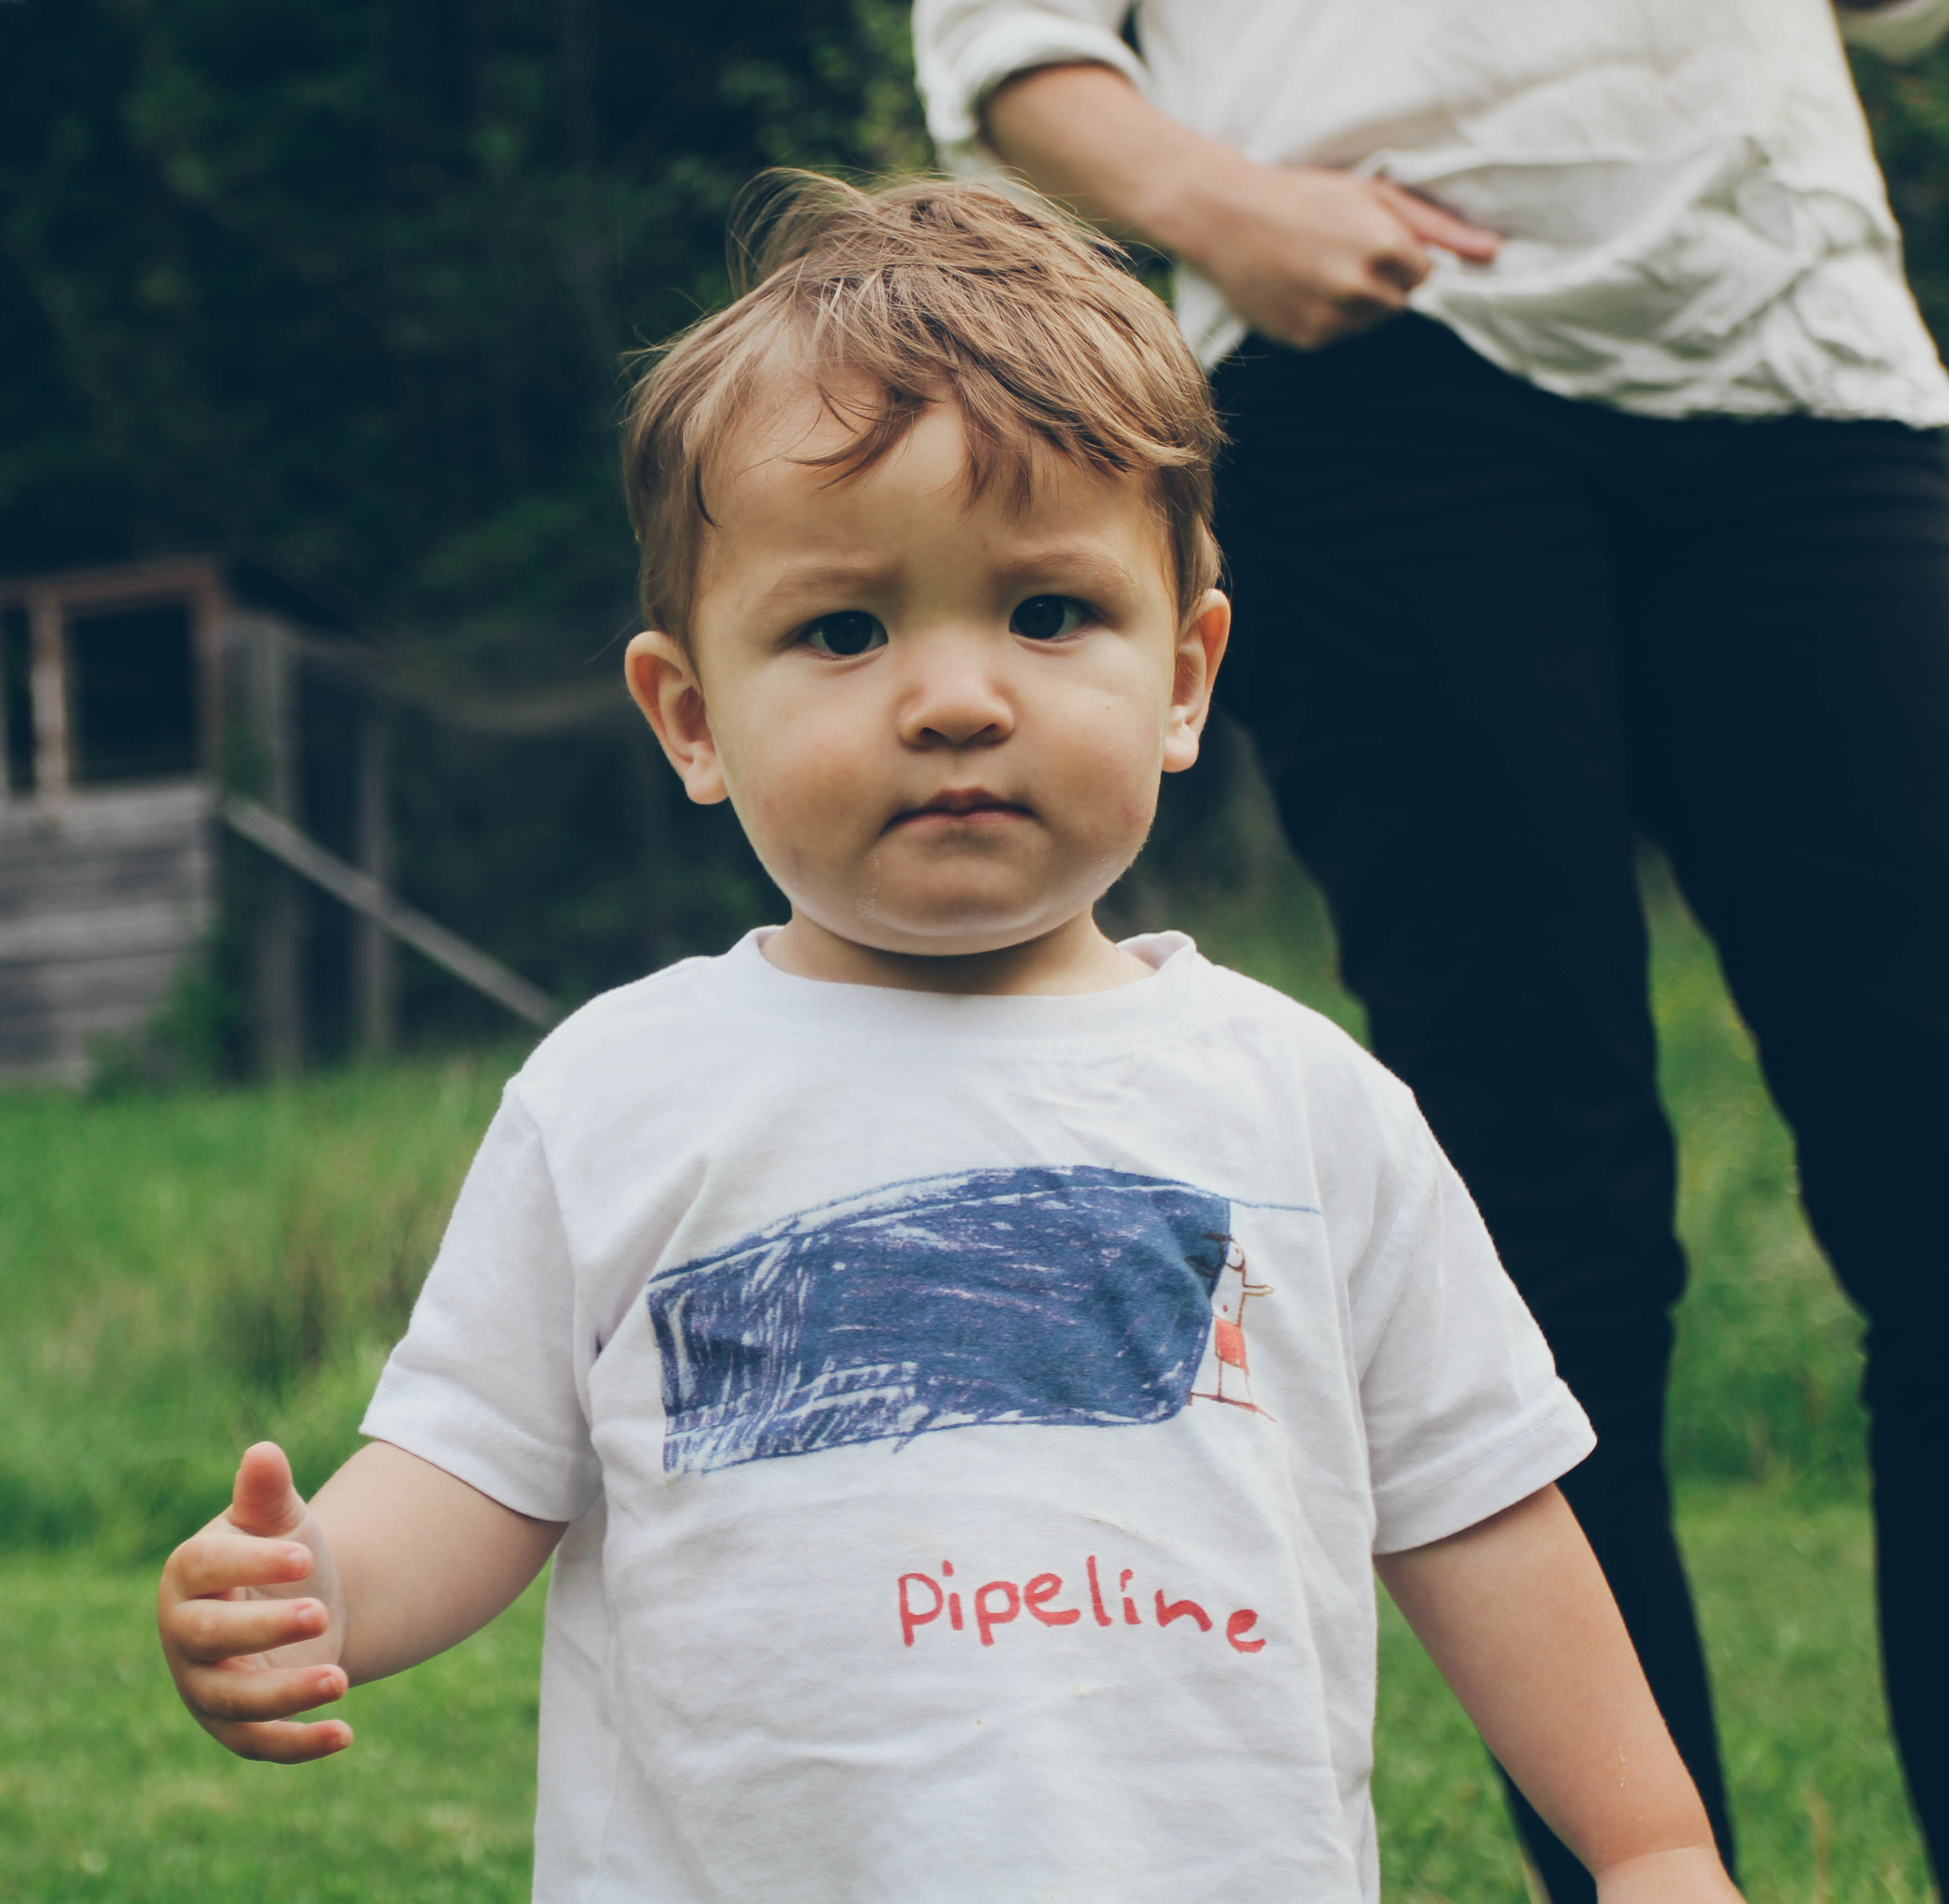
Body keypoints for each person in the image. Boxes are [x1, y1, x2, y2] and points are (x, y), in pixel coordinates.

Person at [157, 174, 1743, 1904]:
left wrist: (1650, 1843)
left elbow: (1480, 1503)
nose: (959, 699)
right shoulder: (617, 1096)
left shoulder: (1302, 1105)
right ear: (691, 716)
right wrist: (317, 1583)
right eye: (842, 631)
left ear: (1185, 675)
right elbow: (471, 1471)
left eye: (1049, 614)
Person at [910, 2, 1949, 1896]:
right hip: (1391, 377)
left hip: (1801, 353)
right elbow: (1004, 38)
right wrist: (1224, 210)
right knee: (1547, 1225)